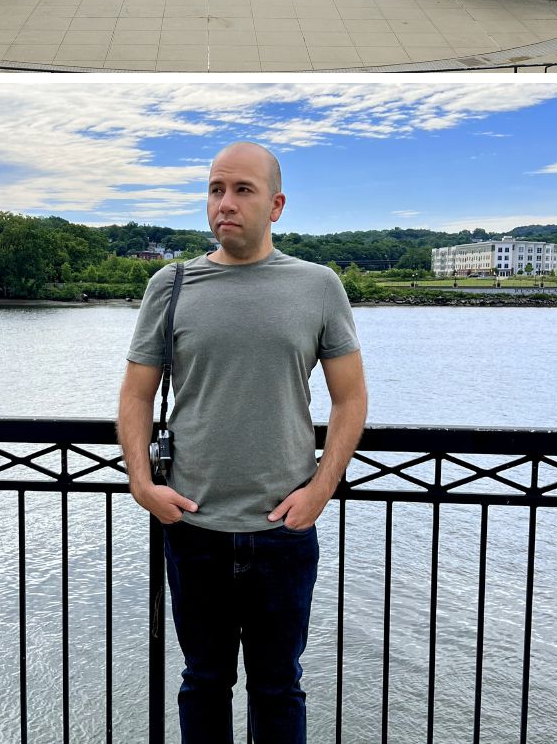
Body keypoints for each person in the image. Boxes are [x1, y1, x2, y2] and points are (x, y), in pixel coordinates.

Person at [116, 141, 368, 744]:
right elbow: (135, 395)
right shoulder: (170, 285)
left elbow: (351, 398)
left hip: (281, 530)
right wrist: (142, 485)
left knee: (279, 687)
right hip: (194, 526)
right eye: (215, 190)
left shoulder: (318, 286)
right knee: (203, 683)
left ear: (276, 205)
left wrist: (319, 492)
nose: (224, 203)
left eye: (242, 190)